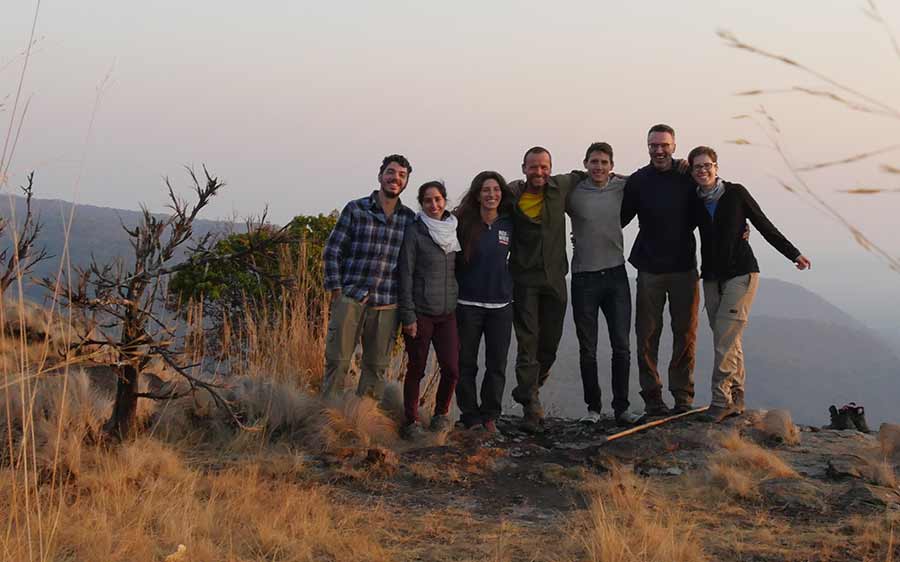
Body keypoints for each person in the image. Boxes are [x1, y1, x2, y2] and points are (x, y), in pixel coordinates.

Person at [688, 146, 811, 423]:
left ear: (717, 167)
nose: (703, 170)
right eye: (697, 167)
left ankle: (720, 401)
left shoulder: (736, 193)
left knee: (724, 339)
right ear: (691, 170)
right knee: (729, 339)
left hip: (741, 274)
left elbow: (764, 225)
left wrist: (794, 254)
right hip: (710, 277)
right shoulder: (693, 200)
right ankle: (738, 397)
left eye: (708, 165)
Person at [321, 154, 416, 400]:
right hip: (352, 297)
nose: (395, 178)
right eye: (391, 172)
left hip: (387, 303)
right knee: (338, 361)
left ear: (405, 183)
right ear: (380, 175)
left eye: (401, 175)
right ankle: (327, 420)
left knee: (376, 368)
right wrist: (337, 292)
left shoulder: (408, 219)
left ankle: (364, 422)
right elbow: (332, 251)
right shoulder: (356, 208)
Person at [621, 124, 699, 417]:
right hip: (649, 267)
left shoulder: (688, 176)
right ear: (647, 147)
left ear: (674, 146)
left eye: (664, 145)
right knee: (647, 335)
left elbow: (715, 194)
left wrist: (740, 225)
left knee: (686, 334)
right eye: (653, 145)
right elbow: (620, 217)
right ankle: (653, 398)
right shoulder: (639, 180)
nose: (659, 150)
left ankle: (682, 398)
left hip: (684, 268)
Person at [508, 147, 582, 433]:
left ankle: (529, 389)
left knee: (549, 344)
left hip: (555, 280)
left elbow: (597, 173)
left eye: (543, 167)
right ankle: (532, 409)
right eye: (533, 167)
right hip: (523, 280)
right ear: (523, 168)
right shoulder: (512, 195)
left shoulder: (561, 185)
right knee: (528, 341)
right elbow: (482, 202)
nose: (539, 172)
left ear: (550, 168)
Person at [567, 143, 642, 426]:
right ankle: (593, 409)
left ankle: (621, 408)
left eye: (604, 162)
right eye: (594, 162)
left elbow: (646, 181)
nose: (598, 167)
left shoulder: (621, 186)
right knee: (588, 347)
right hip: (583, 276)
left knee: (621, 345)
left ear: (612, 165)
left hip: (616, 275)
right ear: (585, 163)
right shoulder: (572, 192)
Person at [397, 181, 461, 438]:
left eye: (437, 199)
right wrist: (408, 315)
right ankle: (411, 421)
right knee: (417, 368)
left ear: (444, 200)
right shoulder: (415, 231)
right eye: (427, 201)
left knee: (452, 369)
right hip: (421, 313)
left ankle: (440, 415)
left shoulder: (453, 229)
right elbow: (405, 273)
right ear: (421, 204)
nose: (433, 205)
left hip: (447, 313)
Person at [453, 171, 516, 433]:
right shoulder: (462, 223)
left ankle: (490, 415)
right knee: (465, 362)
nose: (492, 195)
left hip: (500, 305)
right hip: (467, 304)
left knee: (497, 364)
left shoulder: (509, 224)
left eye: (496, 190)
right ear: (477, 194)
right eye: (486, 190)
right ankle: (470, 415)